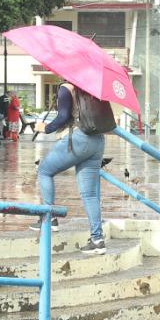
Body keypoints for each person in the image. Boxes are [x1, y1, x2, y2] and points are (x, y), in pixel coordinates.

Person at [38, 80, 116, 254]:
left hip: (80, 140)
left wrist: (45, 128)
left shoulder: (68, 87)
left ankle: (49, 219)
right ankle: (97, 239)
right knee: (89, 194)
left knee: (44, 170)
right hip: (98, 141)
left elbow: (63, 116)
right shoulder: (92, 87)